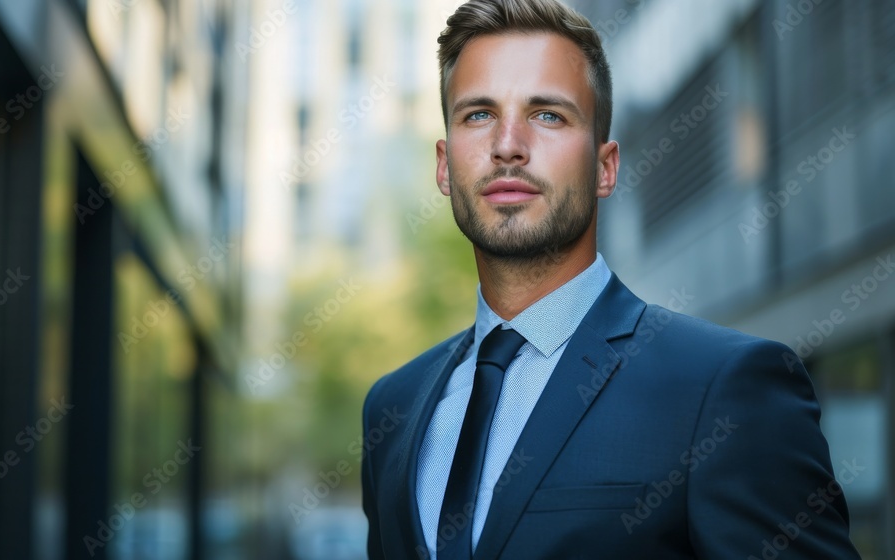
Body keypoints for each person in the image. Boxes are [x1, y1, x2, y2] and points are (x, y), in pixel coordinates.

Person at [359, 1, 861, 559]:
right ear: (444, 165)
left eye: (548, 115)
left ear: (605, 168)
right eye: (478, 114)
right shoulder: (393, 408)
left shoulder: (725, 389)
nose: (507, 144)